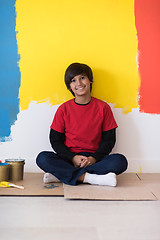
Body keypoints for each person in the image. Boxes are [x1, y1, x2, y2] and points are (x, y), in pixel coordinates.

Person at [36, 63, 128, 186]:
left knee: (120, 161)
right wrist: (73, 157)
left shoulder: (103, 108)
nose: (79, 83)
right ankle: (90, 178)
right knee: (42, 158)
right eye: (73, 80)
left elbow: (109, 140)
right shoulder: (63, 109)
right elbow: (55, 141)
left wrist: (93, 158)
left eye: (82, 78)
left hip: (95, 159)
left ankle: (62, 175)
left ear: (90, 80)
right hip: (69, 159)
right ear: (69, 86)